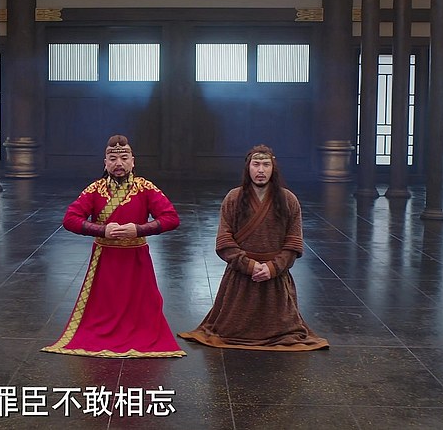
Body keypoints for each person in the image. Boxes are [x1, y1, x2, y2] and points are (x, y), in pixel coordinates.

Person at [42, 135, 185, 358]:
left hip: (136, 258)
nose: (119, 163)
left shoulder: (145, 188)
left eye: (124, 158)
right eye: (113, 159)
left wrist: (139, 229)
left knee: (142, 307)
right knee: (102, 307)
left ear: (133, 162)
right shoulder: (95, 189)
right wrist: (102, 230)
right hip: (104, 258)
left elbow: (171, 218)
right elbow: (70, 219)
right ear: (105, 163)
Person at [178, 144, 328, 351]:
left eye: (266, 165)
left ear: (273, 168)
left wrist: (272, 268)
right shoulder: (233, 198)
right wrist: (249, 266)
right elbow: (224, 239)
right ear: (248, 168)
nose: (261, 170)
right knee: (229, 330)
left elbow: (293, 242)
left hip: (275, 277)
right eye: (256, 164)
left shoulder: (288, 200)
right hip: (240, 278)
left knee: (284, 330)